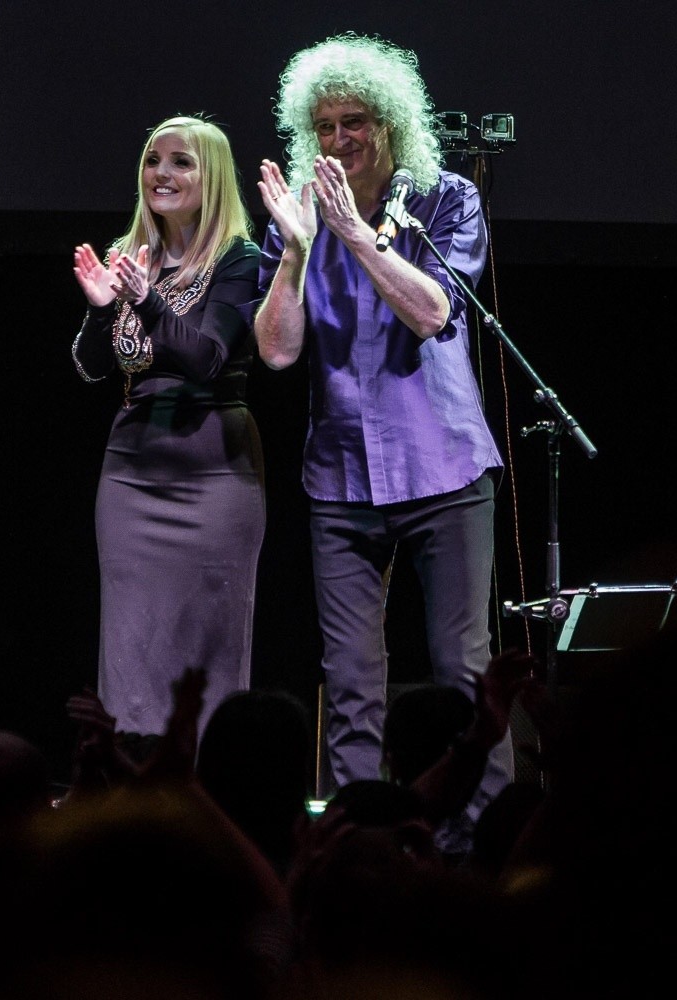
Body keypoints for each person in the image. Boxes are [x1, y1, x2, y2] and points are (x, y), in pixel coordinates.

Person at [254, 33, 509, 851]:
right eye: (323, 126)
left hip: (443, 467)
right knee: (353, 683)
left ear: (390, 123)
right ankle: (361, 847)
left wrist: (358, 238)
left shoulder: (446, 200)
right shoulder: (300, 215)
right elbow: (278, 350)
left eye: (354, 122)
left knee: (463, 671)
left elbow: (433, 313)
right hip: (341, 481)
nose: (338, 142)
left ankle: (480, 842)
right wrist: (297, 248)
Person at [71, 115, 265, 751]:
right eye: (154, 161)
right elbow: (91, 366)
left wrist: (148, 300)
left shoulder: (240, 258)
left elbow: (208, 358)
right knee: (130, 646)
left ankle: (208, 793)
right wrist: (105, 306)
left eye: (181, 162)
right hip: (131, 471)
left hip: (215, 469)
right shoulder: (131, 255)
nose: (162, 174)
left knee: (208, 646)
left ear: (210, 178)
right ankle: (127, 792)